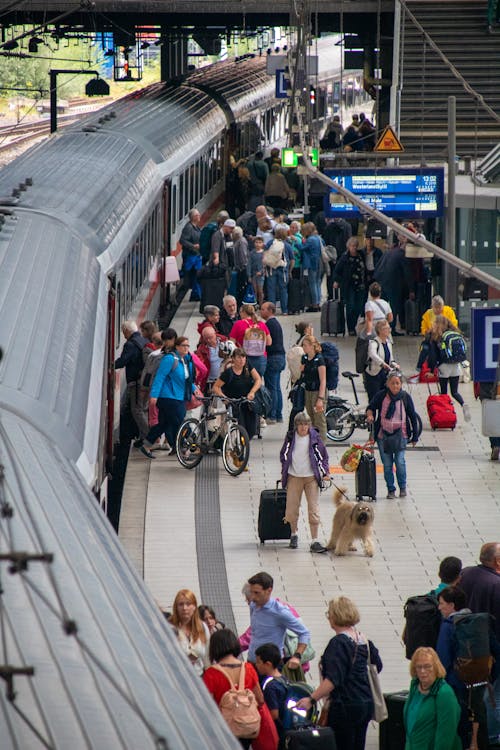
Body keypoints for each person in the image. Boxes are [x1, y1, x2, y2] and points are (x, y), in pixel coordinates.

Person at [296, 596, 383, 750]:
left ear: (335, 616)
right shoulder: (363, 639)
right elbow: (377, 666)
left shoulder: (338, 643)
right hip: (365, 703)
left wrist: (311, 699)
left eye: (329, 614)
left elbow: (332, 680)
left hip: (345, 706)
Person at [436, 586, 490, 750]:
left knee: (460, 721)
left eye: (442, 603)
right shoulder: (477, 620)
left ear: (452, 605)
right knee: (479, 716)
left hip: (456, 682)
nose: (440, 607)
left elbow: (442, 660)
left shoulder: (448, 625)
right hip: (479, 680)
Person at [203, 628, 269, 749]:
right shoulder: (248, 668)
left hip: (224, 729)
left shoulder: (211, 673)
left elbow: (207, 706)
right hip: (247, 728)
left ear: (214, 648)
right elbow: (260, 699)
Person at [460, 543, 500, 743]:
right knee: (494, 695)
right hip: (489, 649)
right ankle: (492, 736)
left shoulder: (466, 574)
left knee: (473, 693)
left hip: (465, 643)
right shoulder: (496, 583)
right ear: (497, 561)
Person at [141, 336, 202, 458]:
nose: (186, 348)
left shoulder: (187, 360)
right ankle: (188, 449)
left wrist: (194, 389)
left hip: (179, 396)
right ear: (177, 346)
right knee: (181, 421)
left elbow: (187, 379)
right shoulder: (170, 359)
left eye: (187, 346)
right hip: (168, 397)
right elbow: (160, 377)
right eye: (183, 346)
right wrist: (154, 395)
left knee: (164, 424)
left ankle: (146, 446)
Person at [280, 411, 330, 553]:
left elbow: (323, 456)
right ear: (296, 425)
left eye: (306, 424)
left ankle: (314, 540)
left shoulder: (315, 438)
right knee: (291, 508)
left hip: (311, 478)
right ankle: (294, 534)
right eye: (300, 424)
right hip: (294, 477)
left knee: (313, 508)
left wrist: (325, 472)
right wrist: (285, 467)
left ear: (309, 425)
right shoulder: (290, 437)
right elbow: (283, 454)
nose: (303, 427)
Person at [366, 370, 421, 499]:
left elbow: (412, 416)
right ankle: (390, 489)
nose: (395, 386)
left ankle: (402, 487)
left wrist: (415, 436)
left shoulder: (405, 397)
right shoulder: (381, 395)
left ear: (401, 384)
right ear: (387, 384)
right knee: (387, 464)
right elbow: (371, 407)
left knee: (400, 461)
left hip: (401, 434)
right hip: (383, 435)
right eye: (392, 383)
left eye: (397, 383)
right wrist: (370, 414)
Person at [246, 571, 311, 666]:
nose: (253, 597)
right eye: (251, 592)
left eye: (257, 593)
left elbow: (304, 633)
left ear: (269, 590)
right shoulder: (253, 605)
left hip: (271, 666)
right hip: (251, 662)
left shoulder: (280, 612)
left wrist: (297, 656)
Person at [403, 647, 462, 750]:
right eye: (418, 667)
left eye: (427, 666)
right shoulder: (415, 687)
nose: (422, 671)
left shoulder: (444, 693)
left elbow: (446, 736)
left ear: (436, 667)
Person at [417, 315, 471, 422]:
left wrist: (432, 371)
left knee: (444, 394)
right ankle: (463, 404)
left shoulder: (437, 337)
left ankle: (446, 415)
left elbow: (433, 356)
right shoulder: (454, 333)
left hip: (444, 367)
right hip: (456, 366)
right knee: (455, 392)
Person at [212, 347, 261, 440]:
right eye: (239, 357)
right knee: (240, 427)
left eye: (243, 357)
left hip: (247, 402)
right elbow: (216, 387)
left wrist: (252, 392)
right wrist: (224, 397)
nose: (242, 360)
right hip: (234, 404)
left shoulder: (248, 367)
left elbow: (258, 379)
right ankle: (239, 448)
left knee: (251, 429)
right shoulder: (228, 373)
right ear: (233, 359)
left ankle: (244, 444)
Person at [114, 320, 148, 444]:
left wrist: (109, 365)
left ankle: (148, 437)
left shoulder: (130, 345)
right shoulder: (144, 340)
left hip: (136, 382)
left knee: (136, 410)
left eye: (124, 332)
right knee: (141, 409)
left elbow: (123, 361)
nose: (123, 336)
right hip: (144, 382)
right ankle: (143, 435)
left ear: (128, 331)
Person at [170, 589, 210, 677]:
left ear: (194, 606)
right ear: (176, 607)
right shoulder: (169, 627)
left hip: (199, 677)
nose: (184, 608)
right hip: (176, 677)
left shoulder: (202, 627)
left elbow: (207, 657)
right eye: (181, 604)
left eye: (188, 604)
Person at [333, 236, 366, 335]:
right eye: (352, 246)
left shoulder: (361, 255)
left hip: (360, 285)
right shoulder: (344, 258)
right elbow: (337, 271)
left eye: (355, 246)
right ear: (348, 246)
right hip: (349, 286)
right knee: (350, 306)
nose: (354, 248)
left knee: (359, 306)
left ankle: (354, 323)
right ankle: (351, 328)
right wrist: (336, 281)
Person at [255, 643, 288, 743]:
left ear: (268, 664)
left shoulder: (270, 686)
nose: (256, 665)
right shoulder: (283, 679)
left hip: (277, 732)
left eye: (258, 662)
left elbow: (274, 714)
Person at [229, 304, 272, 377]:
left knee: (245, 382)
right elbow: (269, 342)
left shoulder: (238, 324)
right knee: (258, 381)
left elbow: (231, 343)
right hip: (261, 358)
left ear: (243, 312)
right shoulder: (261, 324)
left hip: (244, 357)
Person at [260, 302, 285, 424]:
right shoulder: (276, 323)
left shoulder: (269, 324)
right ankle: (279, 414)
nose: (261, 311)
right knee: (276, 387)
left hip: (273, 358)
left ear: (270, 310)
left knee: (271, 388)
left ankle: (272, 415)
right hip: (280, 357)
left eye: (263, 309)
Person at [300, 335, 327, 442]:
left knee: (319, 419)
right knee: (311, 417)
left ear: (312, 346)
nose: (303, 347)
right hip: (308, 391)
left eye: (305, 345)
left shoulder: (319, 359)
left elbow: (323, 380)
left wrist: (320, 398)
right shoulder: (304, 358)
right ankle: (314, 440)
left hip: (317, 391)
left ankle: (322, 444)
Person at [364, 319, 398, 403]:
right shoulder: (374, 342)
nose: (389, 330)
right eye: (386, 328)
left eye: (389, 328)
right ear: (380, 330)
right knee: (374, 398)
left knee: (385, 398)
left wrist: (394, 364)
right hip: (373, 375)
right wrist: (382, 364)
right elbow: (373, 354)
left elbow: (390, 358)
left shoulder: (388, 343)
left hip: (385, 375)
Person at [263, 226, 293, 315]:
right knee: (283, 290)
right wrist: (289, 270)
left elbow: (264, 255)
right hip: (283, 270)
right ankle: (284, 310)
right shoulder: (287, 245)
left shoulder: (270, 243)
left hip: (271, 269)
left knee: (271, 290)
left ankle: (272, 311)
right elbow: (292, 259)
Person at [180, 208, 202, 301]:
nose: (199, 216)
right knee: (191, 275)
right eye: (198, 215)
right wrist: (193, 246)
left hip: (195, 256)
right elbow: (182, 240)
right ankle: (195, 294)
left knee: (196, 276)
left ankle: (196, 294)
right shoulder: (188, 228)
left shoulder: (196, 227)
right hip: (190, 256)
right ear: (194, 217)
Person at [195, 326, 226, 392]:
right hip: (211, 381)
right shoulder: (201, 349)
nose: (208, 340)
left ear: (215, 334)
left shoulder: (224, 342)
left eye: (210, 337)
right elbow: (199, 366)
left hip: (225, 380)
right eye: (206, 338)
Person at [301, 222, 323, 312]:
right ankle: (318, 303)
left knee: (312, 284)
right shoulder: (318, 238)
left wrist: (297, 242)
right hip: (319, 262)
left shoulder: (310, 240)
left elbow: (302, 248)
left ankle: (314, 304)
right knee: (317, 283)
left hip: (312, 264)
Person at [232, 226, 249, 306]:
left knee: (242, 287)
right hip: (240, 268)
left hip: (242, 269)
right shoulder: (238, 241)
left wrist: (242, 267)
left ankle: (241, 303)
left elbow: (243, 256)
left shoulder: (241, 242)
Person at [249, 236, 266, 308]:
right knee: (254, 290)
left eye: (260, 242)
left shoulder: (264, 253)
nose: (258, 244)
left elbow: (265, 264)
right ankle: (255, 304)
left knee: (260, 290)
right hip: (253, 274)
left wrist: (261, 272)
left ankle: (261, 304)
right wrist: (249, 275)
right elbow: (249, 264)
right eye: (256, 242)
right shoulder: (251, 253)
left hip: (261, 275)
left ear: (262, 244)